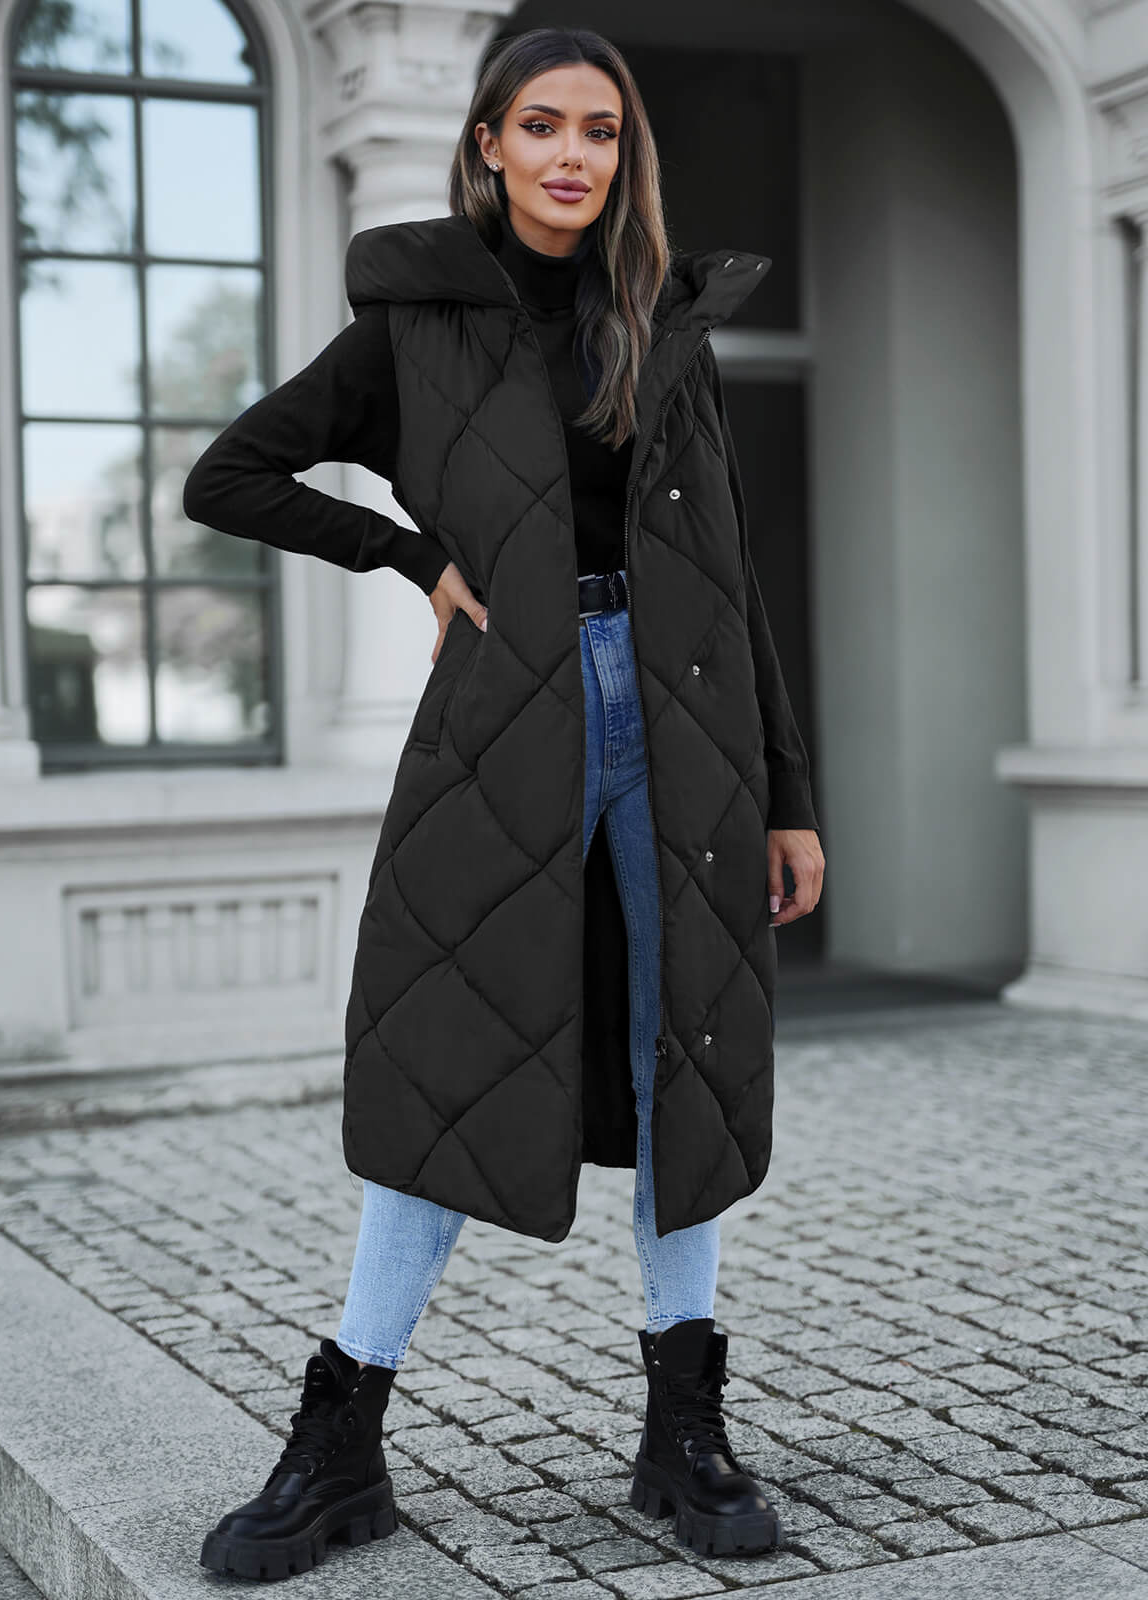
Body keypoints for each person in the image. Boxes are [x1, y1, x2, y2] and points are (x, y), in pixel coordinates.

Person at [183, 23, 825, 1583]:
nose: (570, 156)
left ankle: (684, 1431)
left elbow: (733, 580)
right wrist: (410, 555)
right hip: (506, 717)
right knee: (451, 1058)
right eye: (540, 125)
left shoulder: (664, 328)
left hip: (686, 727)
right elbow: (231, 475)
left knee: (685, 1056)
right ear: (487, 143)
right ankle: (341, 1443)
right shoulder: (415, 324)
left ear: (624, 154)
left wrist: (791, 796)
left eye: (599, 131)